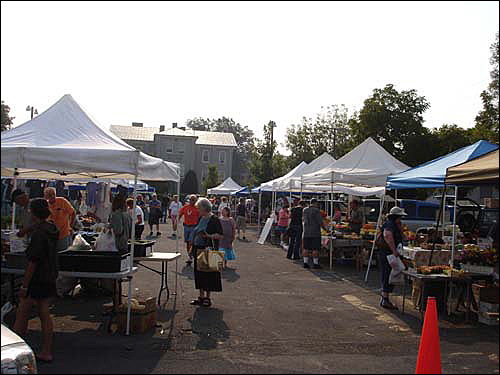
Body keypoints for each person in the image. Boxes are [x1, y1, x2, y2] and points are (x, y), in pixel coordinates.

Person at [13, 198, 59, 363]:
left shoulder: (39, 235)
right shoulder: (52, 228)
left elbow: (33, 262)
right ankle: (46, 351)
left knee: (22, 313)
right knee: (44, 313)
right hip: (49, 275)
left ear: (33, 213)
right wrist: (26, 230)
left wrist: (24, 286)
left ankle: (14, 355)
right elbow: (42, 225)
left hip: (37, 278)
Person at [189, 198, 224, 308]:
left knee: (209, 274)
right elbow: (195, 232)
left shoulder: (214, 219)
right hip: (198, 248)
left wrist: (208, 236)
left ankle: (207, 298)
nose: (198, 210)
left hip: (209, 249)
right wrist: (191, 248)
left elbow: (221, 235)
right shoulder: (201, 218)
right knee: (199, 273)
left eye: (199, 208)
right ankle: (201, 296)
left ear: (204, 208)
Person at [378, 206, 407, 310]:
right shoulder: (390, 224)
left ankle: (384, 298)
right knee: (387, 274)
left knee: (389, 274)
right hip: (388, 253)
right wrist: (394, 251)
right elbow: (387, 236)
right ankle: (385, 298)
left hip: (389, 253)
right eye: (400, 217)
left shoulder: (393, 224)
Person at [44, 187, 76, 252]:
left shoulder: (62, 201)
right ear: (45, 196)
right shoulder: (45, 204)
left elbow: (73, 213)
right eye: (50, 195)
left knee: (63, 254)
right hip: (50, 236)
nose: (52, 196)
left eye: (53, 194)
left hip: (63, 234)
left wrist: (70, 226)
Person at [302, 198, 328, 269]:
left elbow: (303, 220)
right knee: (315, 249)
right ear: (315, 203)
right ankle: (315, 264)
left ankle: (305, 263)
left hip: (306, 232)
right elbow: (320, 222)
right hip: (315, 232)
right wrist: (326, 230)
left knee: (306, 248)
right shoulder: (316, 211)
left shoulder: (304, 210)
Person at [178, 194, 200, 266]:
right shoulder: (185, 207)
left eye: (193, 200)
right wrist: (176, 221)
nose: (191, 201)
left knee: (191, 242)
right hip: (186, 227)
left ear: (196, 200)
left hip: (194, 227)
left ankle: (191, 256)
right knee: (187, 243)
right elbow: (180, 214)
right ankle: (190, 256)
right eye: (190, 199)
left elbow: (201, 217)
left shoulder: (198, 208)